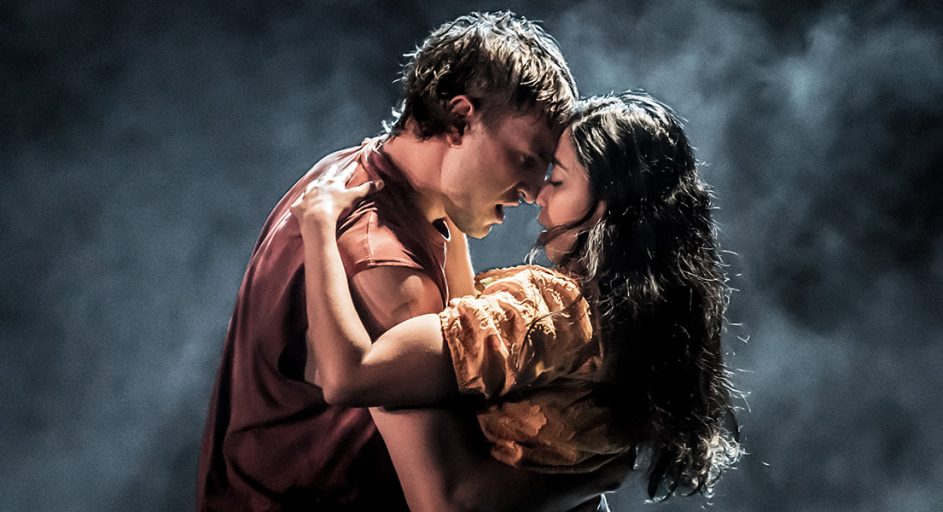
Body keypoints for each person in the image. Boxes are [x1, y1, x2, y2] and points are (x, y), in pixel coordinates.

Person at [197, 11, 622, 512]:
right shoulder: (386, 266)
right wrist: (602, 475)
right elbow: (446, 503)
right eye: (527, 159)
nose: (532, 192)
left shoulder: (343, 170)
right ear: (460, 118)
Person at [292, 92, 743, 506]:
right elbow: (470, 330)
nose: (538, 194)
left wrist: (318, 227)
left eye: (557, 180)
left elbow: (350, 376)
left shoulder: (551, 309)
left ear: (605, 205)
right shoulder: (640, 327)